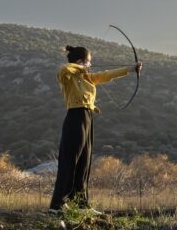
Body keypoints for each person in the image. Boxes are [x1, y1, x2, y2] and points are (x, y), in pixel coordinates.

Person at [49, 45, 142, 215]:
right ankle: (57, 205)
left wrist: (130, 69)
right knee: (70, 161)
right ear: (80, 61)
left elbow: (106, 75)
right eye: (89, 62)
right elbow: (63, 69)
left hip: (87, 118)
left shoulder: (88, 78)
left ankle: (80, 204)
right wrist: (81, 66)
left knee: (84, 162)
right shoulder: (68, 75)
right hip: (75, 117)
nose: (90, 65)